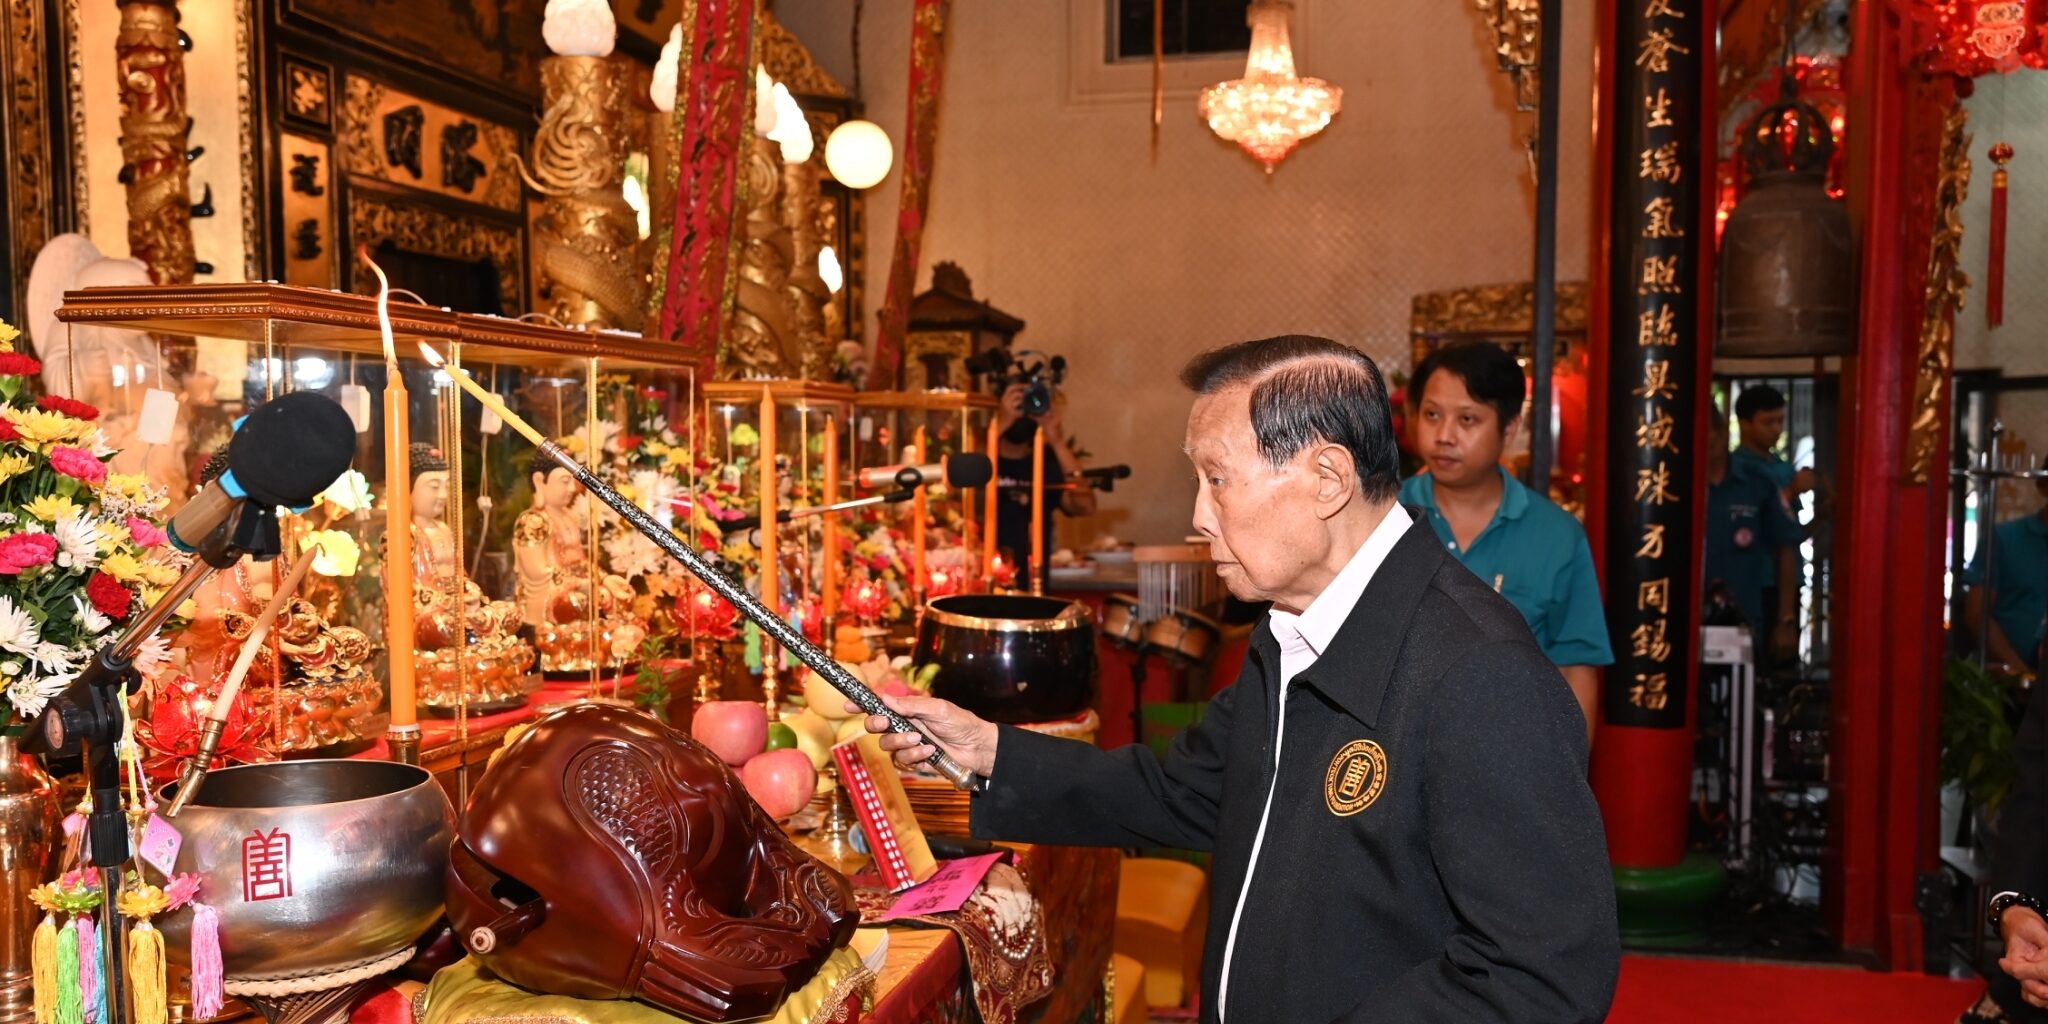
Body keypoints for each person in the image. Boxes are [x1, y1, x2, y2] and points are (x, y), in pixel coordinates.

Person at [864, 336, 1619, 1022]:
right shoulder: (1290, 631)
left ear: (1327, 478)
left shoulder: (1479, 672)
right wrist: (989, 749)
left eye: (1218, 478)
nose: (1200, 515)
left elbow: (1539, 978)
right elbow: (1183, 792)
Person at [1398, 341, 1613, 735]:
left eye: (1467, 419)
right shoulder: (1381, 518)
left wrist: (1566, 768)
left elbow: (1575, 668)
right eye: (1432, 414)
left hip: (1516, 748)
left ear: (1510, 428)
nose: (1444, 435)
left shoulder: (1556, 535)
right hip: (1398, 752)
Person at [1703, 407, 1803, 662]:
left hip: (1744, 615)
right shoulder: (1674, 481)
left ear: (1724, 433)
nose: (1709, 445)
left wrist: (1786, 620)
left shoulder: (1757, 481)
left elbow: (1785, 547)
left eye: (1714, 437)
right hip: (1687, 617)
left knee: (1743, 681)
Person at [992, 380, 1095, 588]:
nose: (1021, 415)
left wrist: (1057, 440)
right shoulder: (984, 460)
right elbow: (960, 490)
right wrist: (998, 426)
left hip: (1034, 590)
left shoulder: (1045, 466)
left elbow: (1085, 505)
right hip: (985, 590)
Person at [1962, 480, 2048, 677]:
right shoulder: (2004, 538)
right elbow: (1976, 614)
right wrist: (2022, 673)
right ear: (2043, 486)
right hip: (2007, 681)